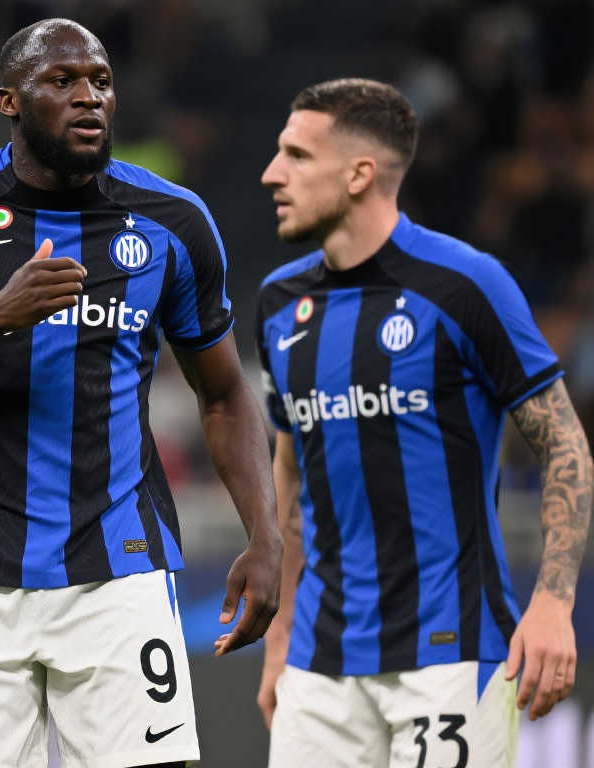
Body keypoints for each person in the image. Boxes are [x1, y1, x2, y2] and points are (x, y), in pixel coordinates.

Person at [0, 18, 281, 768]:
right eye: (63, 81)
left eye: (101, 81)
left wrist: (265, 535)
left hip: (120, 571)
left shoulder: (173, 220)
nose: (90, 97)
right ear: (10, 101)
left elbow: (222, 394)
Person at [254, 78, 593, 767]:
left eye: (296, 155)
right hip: (320, 662)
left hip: (452, 651)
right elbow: (290, 473)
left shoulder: (465, 285)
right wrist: (280, 633)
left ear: (359, 174)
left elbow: (565, 445)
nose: (271, 173)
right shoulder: (278, 304)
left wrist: (554, 603)